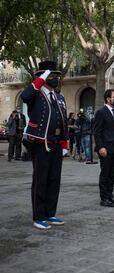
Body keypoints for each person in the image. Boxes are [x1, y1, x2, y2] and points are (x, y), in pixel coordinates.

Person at [20, 61, 69, 230]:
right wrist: (41, 78)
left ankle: (50, 213)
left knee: (54, 179)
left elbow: (63, 120)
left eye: (57, 76)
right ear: (44, 76)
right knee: (40, 179)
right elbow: (24, 96)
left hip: (56, 143)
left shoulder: (58, 96)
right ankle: (38, 216)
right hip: (40, 143)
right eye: (53, 75)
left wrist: (65, 142)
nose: (56, 78)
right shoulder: (35, 93)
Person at [94, 89, 114, 207]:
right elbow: (97, 131)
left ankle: (110, 195)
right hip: (106, 148)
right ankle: (104, 198)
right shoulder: (101, 112)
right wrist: (100, 147)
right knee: (105, 174)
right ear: (108, 99)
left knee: (112, 173)